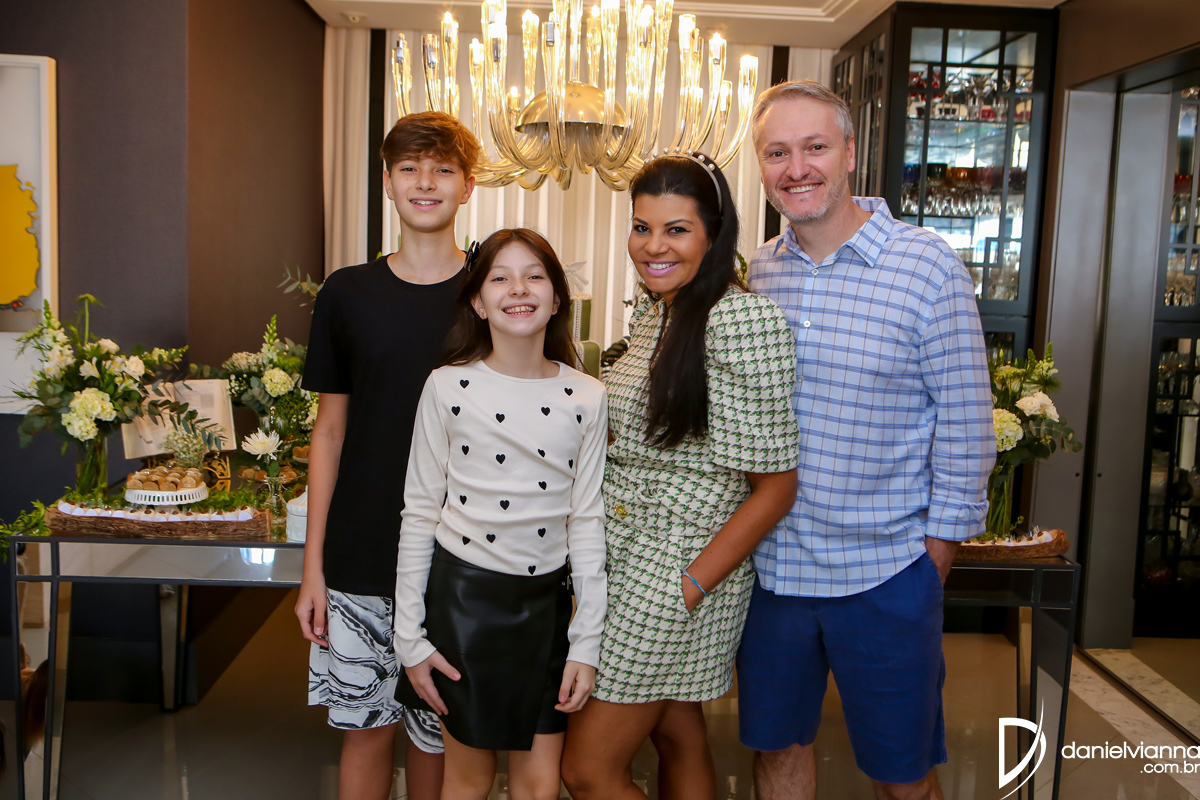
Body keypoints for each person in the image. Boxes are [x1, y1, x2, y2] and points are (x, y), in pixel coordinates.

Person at [737, 80, 996, 800]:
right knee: (777, 753)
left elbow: (967, 423)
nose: (797, 169)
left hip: (886, 573)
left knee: (901, 774)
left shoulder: (927, 266)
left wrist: (933, 560)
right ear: (761, 165)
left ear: (849, 153)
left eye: (815, 147)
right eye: (777, 153)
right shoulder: (757, 273)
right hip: (773, 575)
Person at [561, 152, 800, 800]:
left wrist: (688, 587)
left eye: (676, 229)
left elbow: (776, 486)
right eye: (642, 227)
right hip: (626, 548)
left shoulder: (741, 319)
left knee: (587, 770)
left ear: (713, 235)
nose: (653, 246)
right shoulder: (656, 312)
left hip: (679, 561)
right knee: (677, 733)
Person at [296, 111, 478, 800]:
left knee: (438, 731)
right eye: (409, 168)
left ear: (467, 185)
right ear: (387, 182)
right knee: (365, 729)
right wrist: (313, 568)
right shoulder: (347, 292)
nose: (425, 183)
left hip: (458, 554)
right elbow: (329, 432)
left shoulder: (493, 292)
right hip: (361, 551)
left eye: (442, 169)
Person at [394, 228, 608, 800]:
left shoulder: (588, 395)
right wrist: (409, 637)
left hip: (546, 609)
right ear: (477, 301)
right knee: (468, 780)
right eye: (500, 277)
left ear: (557, 298)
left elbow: (586, 521)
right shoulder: (447, 387)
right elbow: (419, 513)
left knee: (539, 784)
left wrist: (585, 642)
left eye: (535, 276)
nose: (519, 289)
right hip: (464, 605)